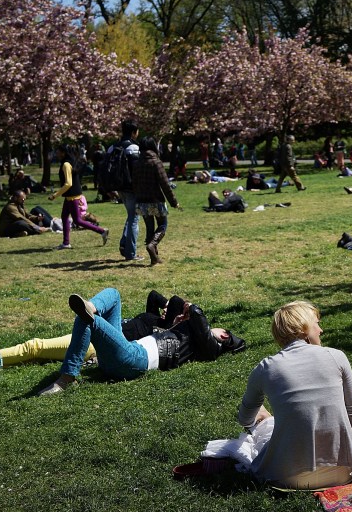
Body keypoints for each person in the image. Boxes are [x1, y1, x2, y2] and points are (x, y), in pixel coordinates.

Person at [237, 301, 352, 489]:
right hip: (344, 472)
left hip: (287, 477)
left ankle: (265, 418)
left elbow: (245, 418)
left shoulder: (265, 368)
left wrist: (256, 421)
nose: (321, 330)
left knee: (268, 424)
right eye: (316, 324)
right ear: (303, 329)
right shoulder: (336, 356)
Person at [39, 288, 245, 395]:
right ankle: (92, 306)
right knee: (113, 294)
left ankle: (67, 377)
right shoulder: (194, 342)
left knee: (87, 320)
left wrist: (190, 307)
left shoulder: (211, 349)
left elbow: (199, 316)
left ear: (224, 335)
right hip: (129, 351)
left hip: (133, 360)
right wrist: (180, 322)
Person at [0, 290, 188, 376]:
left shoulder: (163, 330)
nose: (165, 307)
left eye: (171, 308)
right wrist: (168, 302)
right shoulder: (153, 316)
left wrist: (179, 315)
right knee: (36, 355)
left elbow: (173, 328)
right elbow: (153, 296)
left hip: (96, 341)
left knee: (35, 347)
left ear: (174, 318)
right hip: (109, 330)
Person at [48, 144, 109, 250]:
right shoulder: (70, 161)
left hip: (72, 197)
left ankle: (102, 231)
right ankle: (66, 243)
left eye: (58, 151)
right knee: (64, 217)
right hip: (71, 197)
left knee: (77, 221)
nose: (56, 153)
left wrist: (55, 195)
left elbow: (68, 183)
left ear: (63, 152)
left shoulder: (66, 164)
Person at [132, 137, 180, 265]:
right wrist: (174, 202)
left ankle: (154, 257)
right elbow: (165, 184)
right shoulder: (156, 162)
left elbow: (134, 184)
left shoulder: (136, 163)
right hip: (155, 200)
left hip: (141, 201)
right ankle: (152, 245)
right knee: (162, 225)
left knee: (149, 228)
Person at [106, 120, 141, 261]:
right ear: (134, 132)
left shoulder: (112, 147)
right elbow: (137, 169)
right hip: (131, 187)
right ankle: (130, 252)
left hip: (118, 187)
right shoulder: (133, 148)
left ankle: (124, 244)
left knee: (131, 215)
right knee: (134, 218)